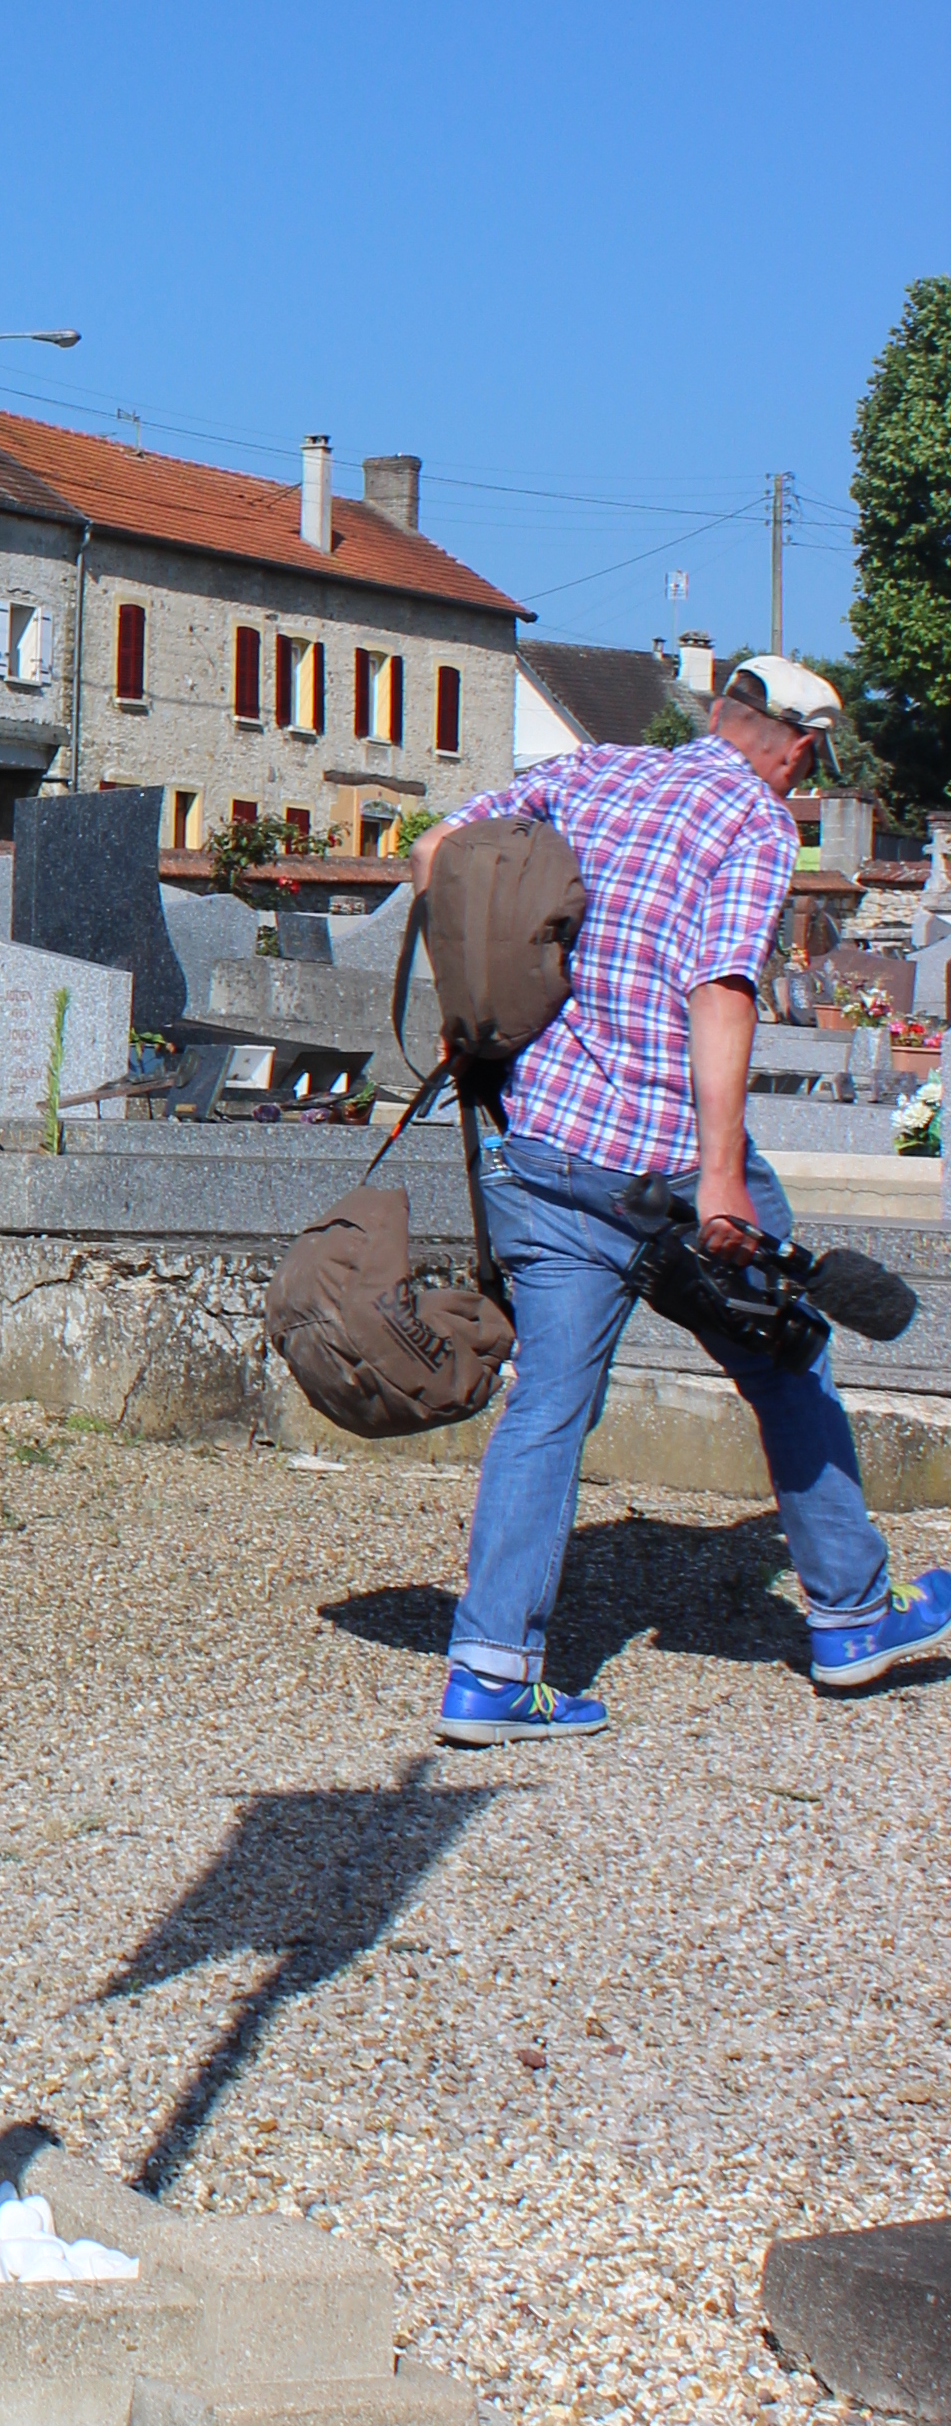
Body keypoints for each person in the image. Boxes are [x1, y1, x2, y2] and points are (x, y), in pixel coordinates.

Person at [423, 653, 951, 1740]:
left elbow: (439, 854)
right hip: (663, 1158)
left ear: (718, 713)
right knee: (787, 1356)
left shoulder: (594, 771)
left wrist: (473, 1003)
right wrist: (719, 1174)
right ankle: (852, 1613)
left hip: (544, 1143)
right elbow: (719, 989)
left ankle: (489, 1670)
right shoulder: (755, 825)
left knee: (549, 1407)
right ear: (799, 750)